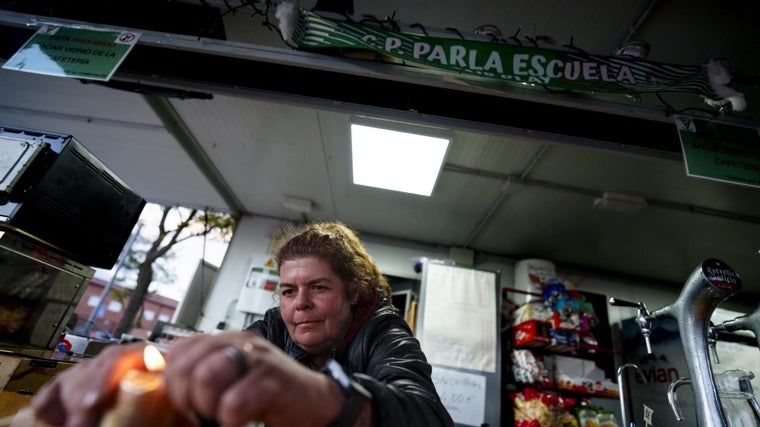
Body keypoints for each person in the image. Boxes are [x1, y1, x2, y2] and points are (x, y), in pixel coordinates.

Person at [30, 221, 453, 427]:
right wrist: (150, 371)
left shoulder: (385, 331)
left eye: (318, 287)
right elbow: (218, 363)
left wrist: (327, 396)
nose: (300, 304)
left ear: (354, 291)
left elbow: (429, 417)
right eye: (288, 291)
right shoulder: (270, 327)